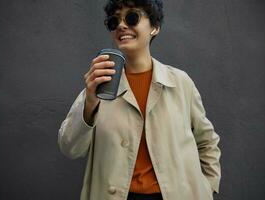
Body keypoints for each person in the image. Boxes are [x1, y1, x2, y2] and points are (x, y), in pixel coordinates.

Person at [58, 0, 221, 200]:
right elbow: (70, 148)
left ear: (155, 27)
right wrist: (90, 102)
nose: (121, 25)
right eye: (113, 21)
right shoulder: (99, 85)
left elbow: (207, 142)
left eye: (132, 17)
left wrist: (207, 187)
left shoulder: (180, 83)